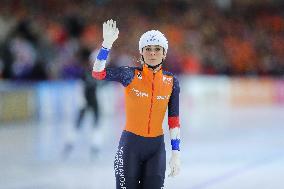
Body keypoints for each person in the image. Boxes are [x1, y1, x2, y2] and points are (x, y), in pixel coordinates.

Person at [92, 19, 181, 189]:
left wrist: (176, 153)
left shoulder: (171, 82)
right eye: (148, 49)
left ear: (164, 54)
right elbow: (97, 73)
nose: (152, 53)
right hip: (130, 147)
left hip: (156, 149)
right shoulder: (129, 75)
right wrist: (106, 46)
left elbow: (174, 120)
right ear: (141, 53)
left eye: (157, 49)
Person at [63, 47, 102, 159]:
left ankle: (95, 147)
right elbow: (80, 87)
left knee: (96, 123)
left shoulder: (97, 73)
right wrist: (81, 101)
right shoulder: (84, 73)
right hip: (85, 102)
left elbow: (100, 86)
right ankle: (70, 144)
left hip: (94, 102)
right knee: (78, 123)